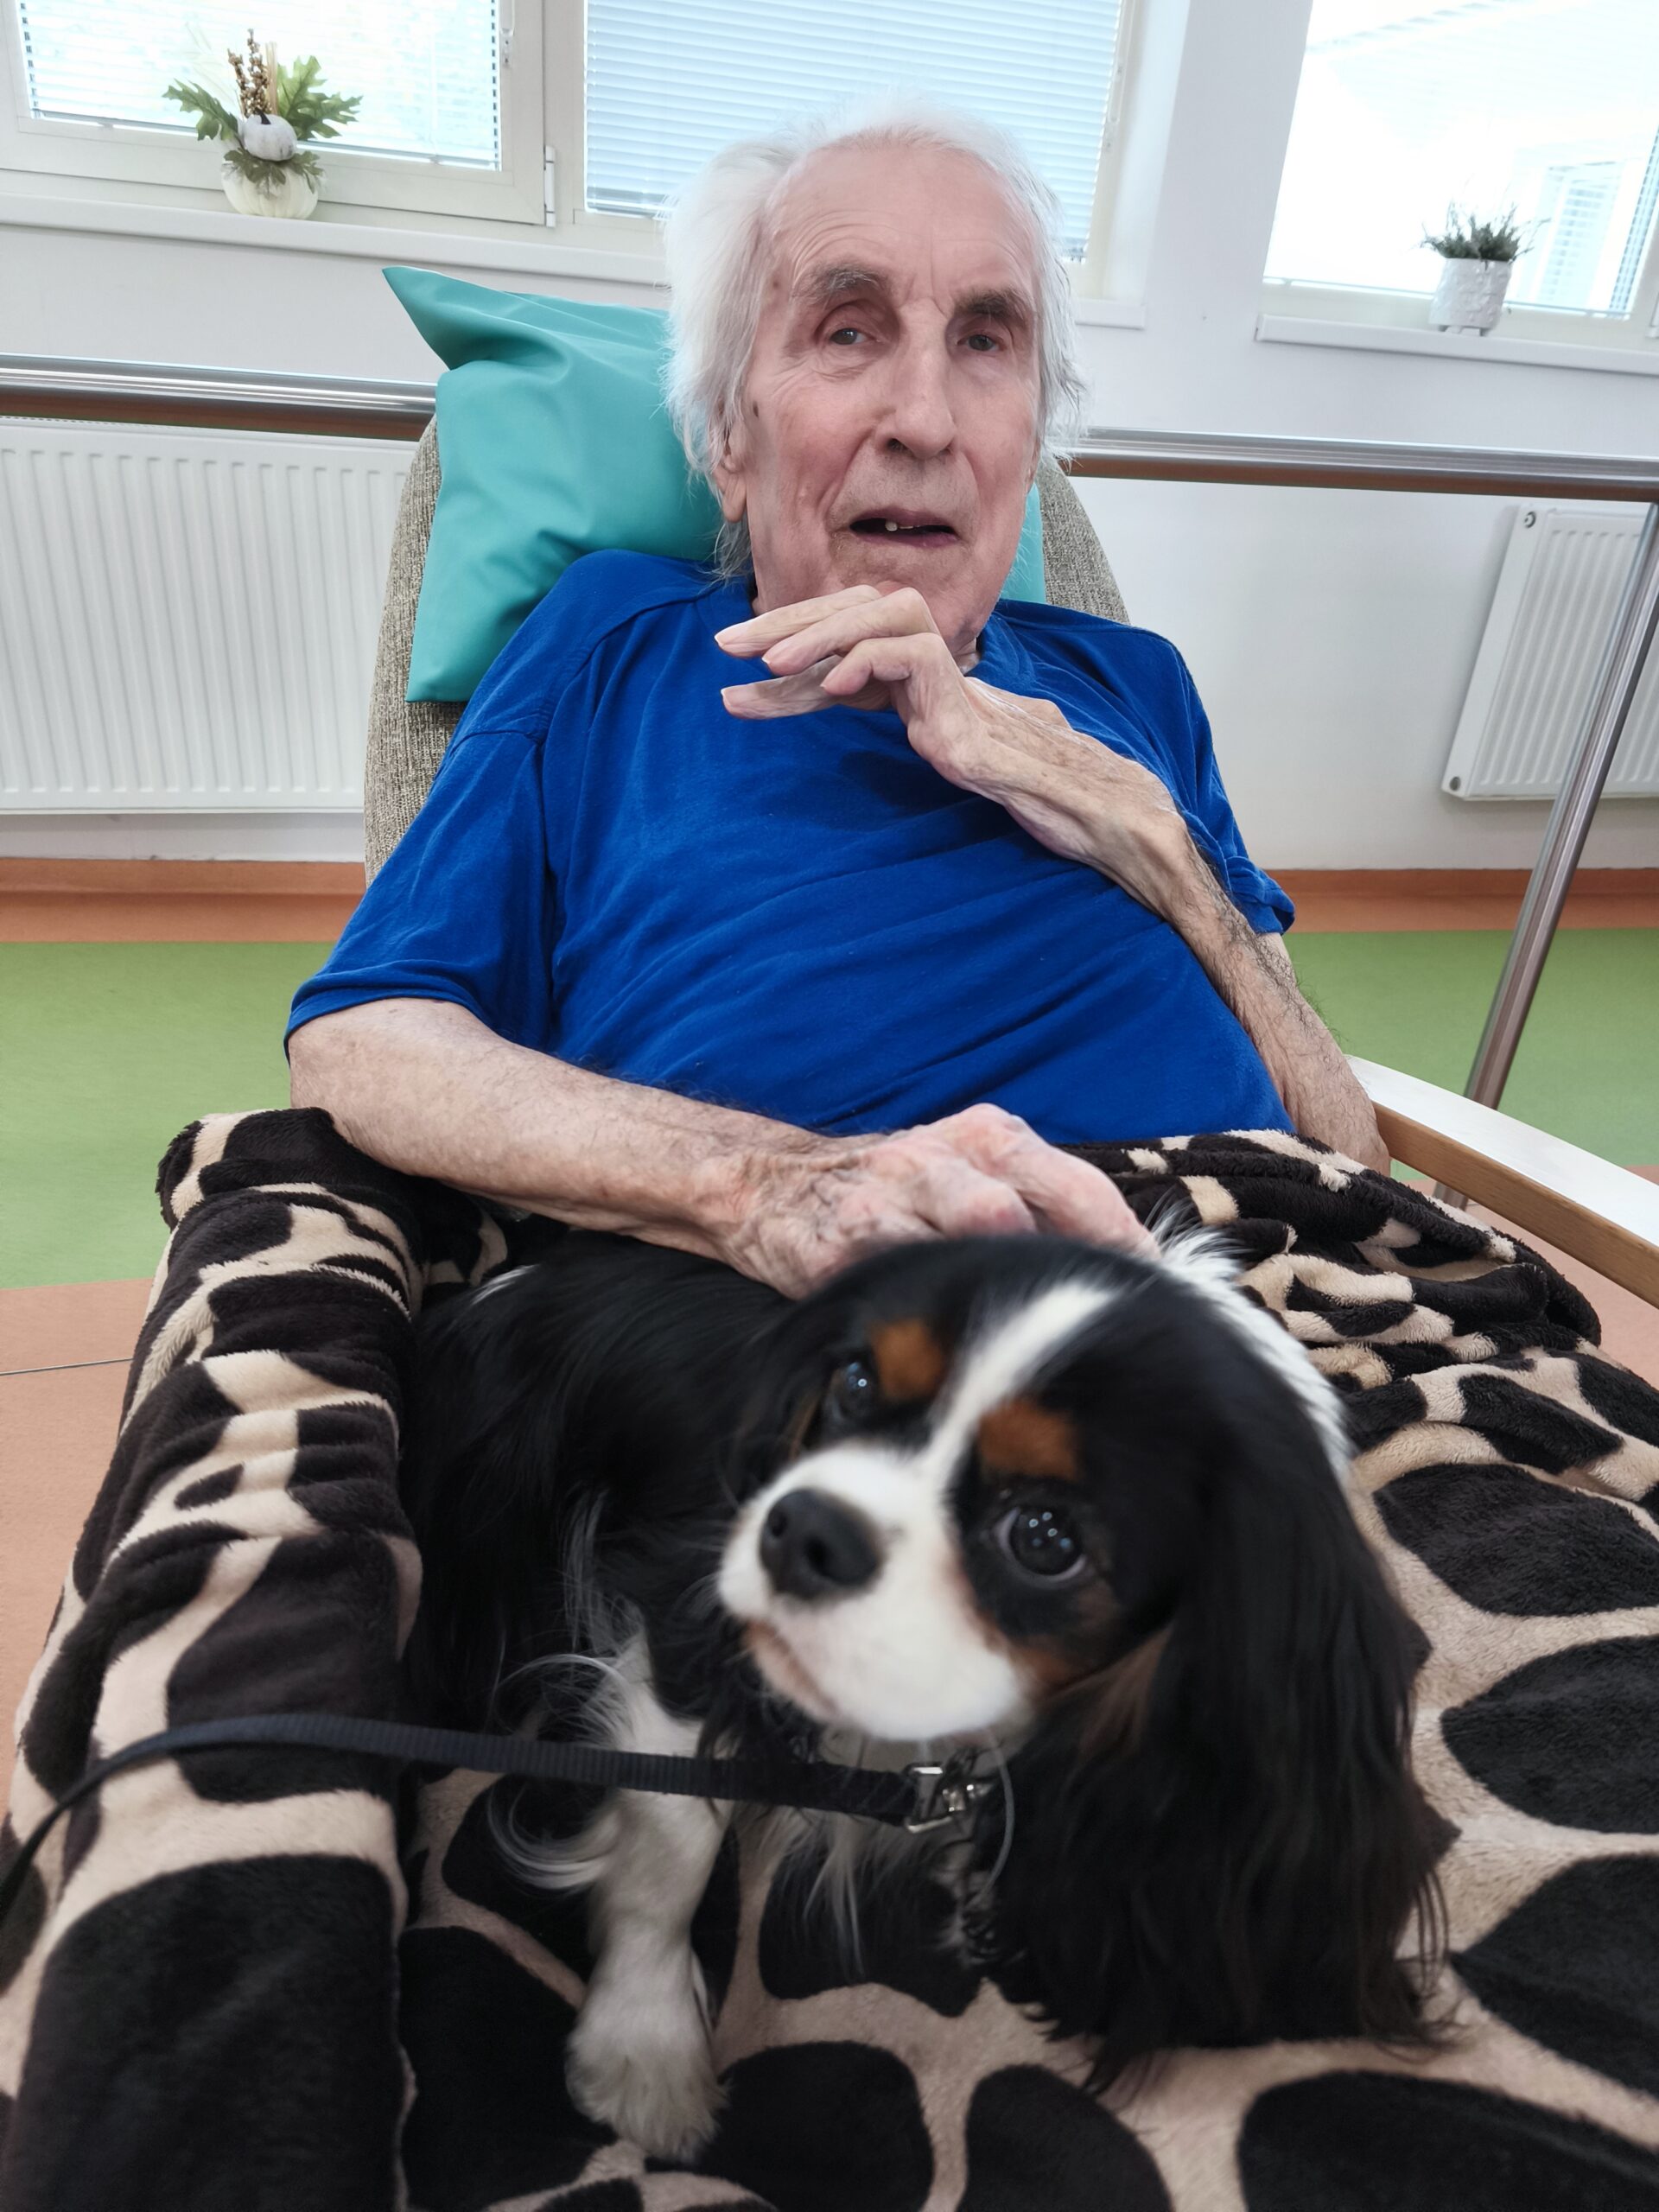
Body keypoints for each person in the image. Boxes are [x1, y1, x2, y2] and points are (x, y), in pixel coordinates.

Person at [288, 100, 1388, 1299]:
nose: (926, 421)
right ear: (727, 436)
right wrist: (776, 1187)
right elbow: (362, 1042)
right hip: (809, 1324)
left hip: (1254, 1287)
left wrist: (1154, 842)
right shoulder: (611, 644)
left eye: (986, 340)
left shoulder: (1132, 684)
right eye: (848, 331)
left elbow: (1352, 1153)